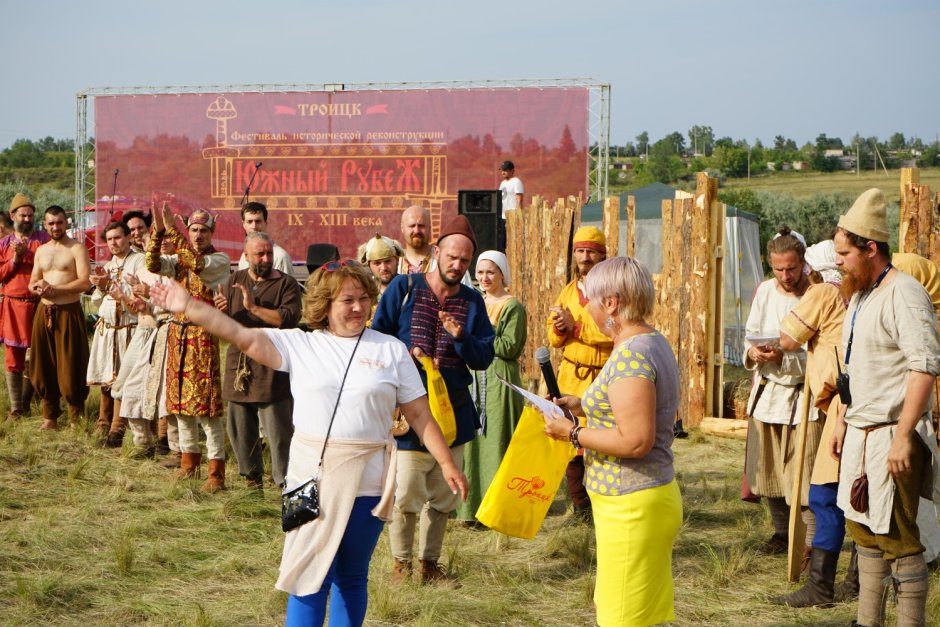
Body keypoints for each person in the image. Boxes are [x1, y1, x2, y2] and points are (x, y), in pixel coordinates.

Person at [149, 259, 468, 627]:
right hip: (310, 480)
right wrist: (189, 306)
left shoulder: (391, 350)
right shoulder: (301, 344)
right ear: (325, 306)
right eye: (347, 300)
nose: (358, 307)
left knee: (352, 575)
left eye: (363, 298)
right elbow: (241, 336)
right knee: (308, 577)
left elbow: (420, 414)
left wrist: (447, 463)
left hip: (369, 484)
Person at [544, 256, 682, 627]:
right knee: (637, 615)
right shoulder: (649, 341)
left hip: (631, 505)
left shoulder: (631, 356)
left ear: (611, 303)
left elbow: (635, 440)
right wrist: (581, 405)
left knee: (621, 616)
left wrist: (571, 432)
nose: (585, 308)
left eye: (589, 299)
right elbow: (630, 408)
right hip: (640, 500)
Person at [830, 188, 940, 627]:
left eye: (844, 253)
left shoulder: (905, 294)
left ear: (870, 248)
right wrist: (842, 421)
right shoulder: (860, 294)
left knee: (899, 540)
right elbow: (854, 367)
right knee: (864, 534)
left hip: (892, 435)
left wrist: (902, 438)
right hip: (861, 435)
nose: (838, 261)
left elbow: (924, 368)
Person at [371, 214, 495, 584]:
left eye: (464, 260)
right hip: (409, 415)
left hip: (453, 413)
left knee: (444, 496)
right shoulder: (404, 287)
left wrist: (461, 338)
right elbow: (377, 338)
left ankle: (429, 564)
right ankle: (401, 564)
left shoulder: (473, 302)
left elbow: (483, 357)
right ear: (437, 252)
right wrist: (404, 355)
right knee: (406, 496)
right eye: (452, 257)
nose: (457, 265)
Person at [771, 239, 848, 607]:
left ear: (813, 269)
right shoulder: (857, 293)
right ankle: (856, 581)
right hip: (850, 397)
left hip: (841, 402)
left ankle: (821, 588)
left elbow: (788, 339)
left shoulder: (823, 292)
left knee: (824, 495)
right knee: (855, 497)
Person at [742, 226, 819, 557]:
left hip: (804, 399)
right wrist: (753, 352)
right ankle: (782, 533)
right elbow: (750, 333)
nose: (785, 276)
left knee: (805, 473)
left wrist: (785, 358)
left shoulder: (817, 294)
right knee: (768, 469)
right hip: (768, 394)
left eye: (791, 268)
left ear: (802, 262)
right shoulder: (764, 291)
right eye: (778, 269)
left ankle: (812, 543)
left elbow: (823, 353)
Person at [146, 204, 230, 491]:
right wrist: (158, 233)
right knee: (181, 406)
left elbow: (196, 264)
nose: (198, 235)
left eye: (203, 230)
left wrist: (173, 230)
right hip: (178, 336)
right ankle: (188, 464)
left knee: (207, 409)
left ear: (211, 233)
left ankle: (216, 474)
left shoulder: (219, 259)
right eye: (193, 230)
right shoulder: (178, 259)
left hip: (202, 337)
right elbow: (152, 264)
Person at [216, 231, 302, 489]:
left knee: (279, 432)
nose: (266, 259)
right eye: (259, 254)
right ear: (246, 256)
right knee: (241, 429)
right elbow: (227, 327)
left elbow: (289, 319)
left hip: (272, 365)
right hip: (239, 365)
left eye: (269, 253)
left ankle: (285, 485)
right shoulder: (235, 280)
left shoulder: (286, 283)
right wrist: (222, 313)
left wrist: (253, 308)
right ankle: (252, 484)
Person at [545, 225, 612, 523]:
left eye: (591, 252)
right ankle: (580, 506)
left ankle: (602, 504)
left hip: (602, 376)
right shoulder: (569, 291)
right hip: (572, 375)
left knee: (601, 440)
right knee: (571, 443)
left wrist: (576, 327)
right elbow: (553, 337)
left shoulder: (611, 291)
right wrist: (560, 328)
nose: (585, 257)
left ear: (603, 255)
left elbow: (612, 331)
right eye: (581, 251)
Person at [455, 250, 527, 524]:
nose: (484, 278)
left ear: (502, 274)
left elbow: (509, 347)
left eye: (490, 272)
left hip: (499, 379)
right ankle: (470, 507)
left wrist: (474, 340)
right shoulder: (476, 303)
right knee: (473, 441)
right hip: (474, 375)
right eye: (480, 272)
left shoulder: (512, 306)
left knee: (497, 438)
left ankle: (498, 509)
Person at [28, 205, 91, 430]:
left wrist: (55, 289)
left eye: (60, 222)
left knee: (71, 363)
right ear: (45, 225)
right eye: (51, 223)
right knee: (43, 364)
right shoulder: (41, 251)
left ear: (67, 223)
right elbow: (32, 281)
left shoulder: (77, 248)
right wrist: (37, 288)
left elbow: (85, 282)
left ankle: (76, 417)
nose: (56, 227)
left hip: (68, 311)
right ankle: (50, 417)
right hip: (44, 311)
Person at [87, 221, 145, 447]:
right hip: (109, 329)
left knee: (125, 380)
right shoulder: (108, 265)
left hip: (130, 329)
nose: (113, 242)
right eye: (109, 239)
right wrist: (101, 286)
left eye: (118, 237)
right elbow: (97, 301)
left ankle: (118, 428)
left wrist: (109, 283)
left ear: (128, 237)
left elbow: (139, 294)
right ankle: (103, 422)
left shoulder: (139, 261)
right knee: (106, 377)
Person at [0, 193, 49, 417]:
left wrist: (27, 254)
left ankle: (36, 403)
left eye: (30, 215)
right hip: (13, 306)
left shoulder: (44, 239)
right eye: (23, 215)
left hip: (41, 304)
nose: (27, 219)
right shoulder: (4, 244)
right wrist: (15, 259)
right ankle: (17, 408)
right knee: (14, 357)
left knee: (41, 355)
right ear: (13, 216)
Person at [237, 201, 293, 275]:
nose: (254, 226)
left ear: (265, 223)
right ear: (244, 224)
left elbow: (286, 282)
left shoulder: (280, 256)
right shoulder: (244, 256)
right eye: (249, 222)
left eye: (258, 221)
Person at [397, 205, 435, 275]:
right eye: (412, 226)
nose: (417, 231)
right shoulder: (395, 262)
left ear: (429, 228)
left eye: (421, 225)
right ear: (402, 228)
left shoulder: (440, 260)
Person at [497, 160, 523, 251]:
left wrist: (518, 215)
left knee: (511, 241)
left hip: (512, 216)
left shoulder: (516, 182)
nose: (503, 172)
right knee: (502, 242)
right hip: (502, 216)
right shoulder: (503, 183)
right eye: (502, 170)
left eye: (505, 170)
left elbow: (519, 198)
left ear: (512, 170)